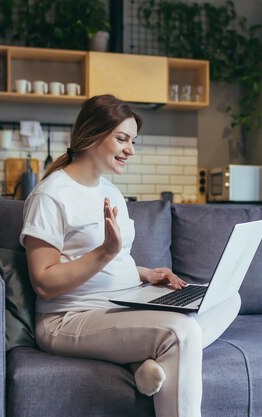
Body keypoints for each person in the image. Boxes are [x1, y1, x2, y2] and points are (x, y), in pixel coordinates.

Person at [20, 94, 241, 417]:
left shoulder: (110, 191)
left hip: (123, 302)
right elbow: (44, 282)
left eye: (133, 141)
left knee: (226, 298)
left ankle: (147, 360)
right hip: (69, 317)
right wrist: (105, 251)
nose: (130, 150)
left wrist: (145, 273)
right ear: (92, 135)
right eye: (122, 139)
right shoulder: (51, 195)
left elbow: (113, 258)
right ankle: (161, 352)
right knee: (182, 332)